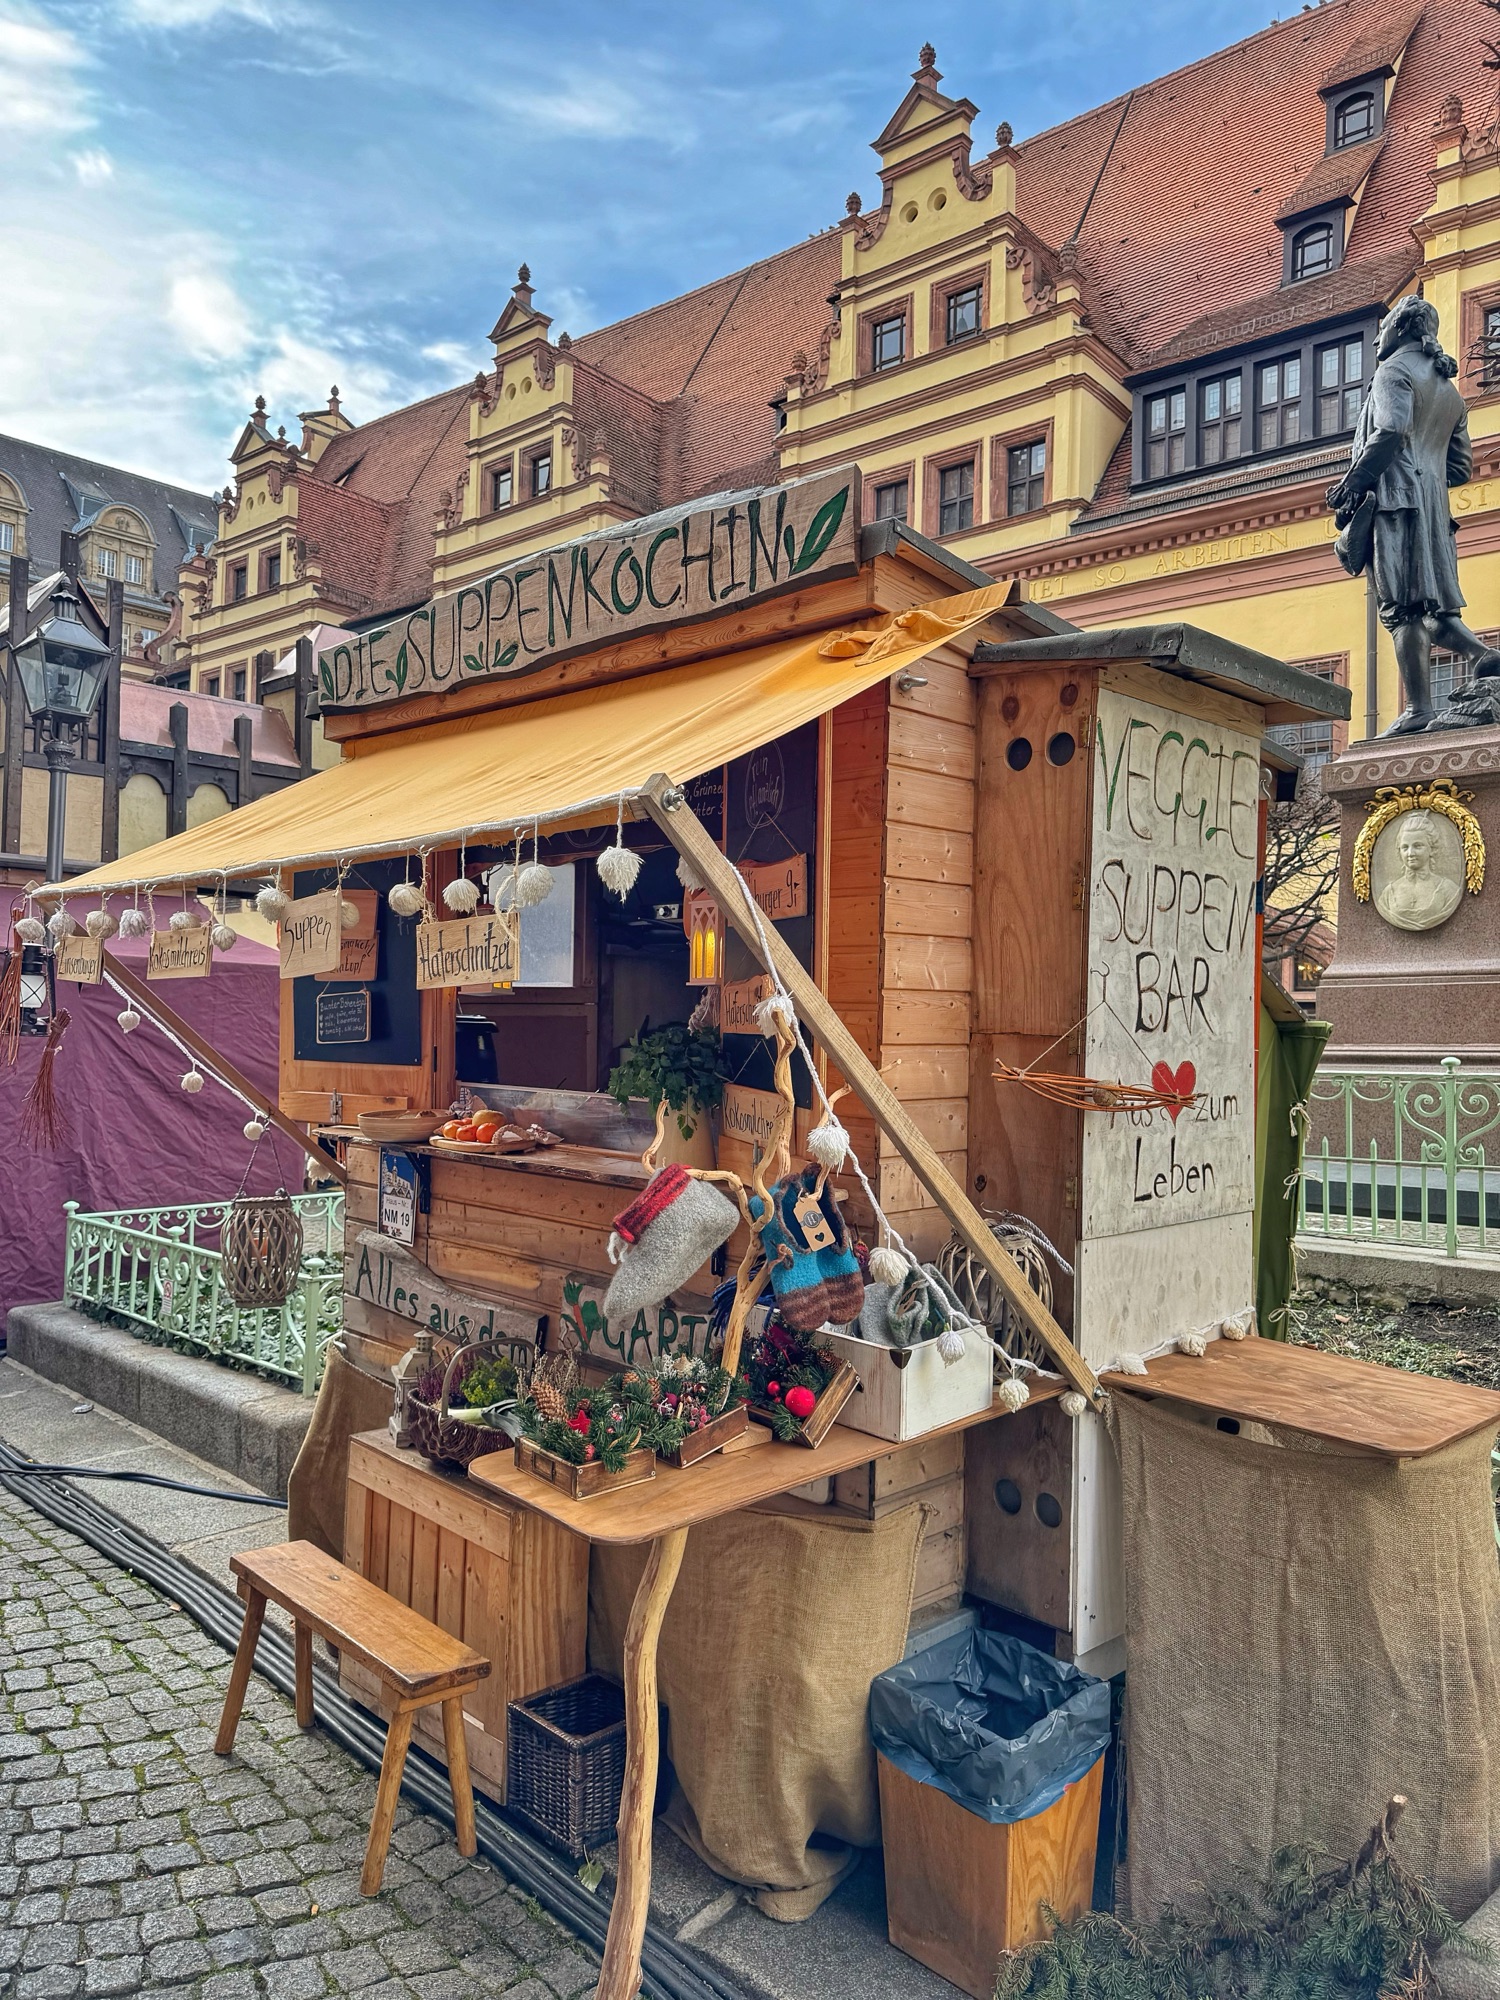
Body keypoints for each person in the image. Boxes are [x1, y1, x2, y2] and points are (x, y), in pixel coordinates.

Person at [1326, 297, 1500, 734]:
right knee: (1431, 606)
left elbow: (1390, 430)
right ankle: (1480, 655)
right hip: (1433, 513)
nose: (1376, 341)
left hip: (1395, 504)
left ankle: (1419, 708)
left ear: (1400, 329)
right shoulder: (1450, 393)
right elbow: (1460, 468)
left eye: (1382, 329)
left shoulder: (1393, 372)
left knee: (1400, 608)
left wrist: (1353, 483)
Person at [1374, 812, 1460, 930]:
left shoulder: (1449, 890)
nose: (1410, 853)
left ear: (1432, 849)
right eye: (1405, 847)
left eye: (1418, 846)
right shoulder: (1388, 893)